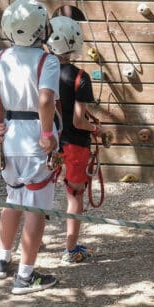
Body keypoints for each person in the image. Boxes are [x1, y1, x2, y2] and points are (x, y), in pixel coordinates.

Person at [0, 0, 61, 295]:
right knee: (35, 208)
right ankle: (25, 275)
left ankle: (1, 260)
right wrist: (47, 132)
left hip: (9, 134)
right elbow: (45, 99)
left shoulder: (1, 57)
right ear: (38, 30)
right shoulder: (48, 60)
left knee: (13, 198)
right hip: (34, 137)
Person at [46, 15, 99, 264]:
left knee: (37, 192)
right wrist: (96, 129)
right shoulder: (81, 77)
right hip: (75, 142)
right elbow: (78, 120)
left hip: (49, 140)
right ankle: (70, 248)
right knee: (74, 196)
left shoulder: (42, 71)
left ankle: (31, 242)